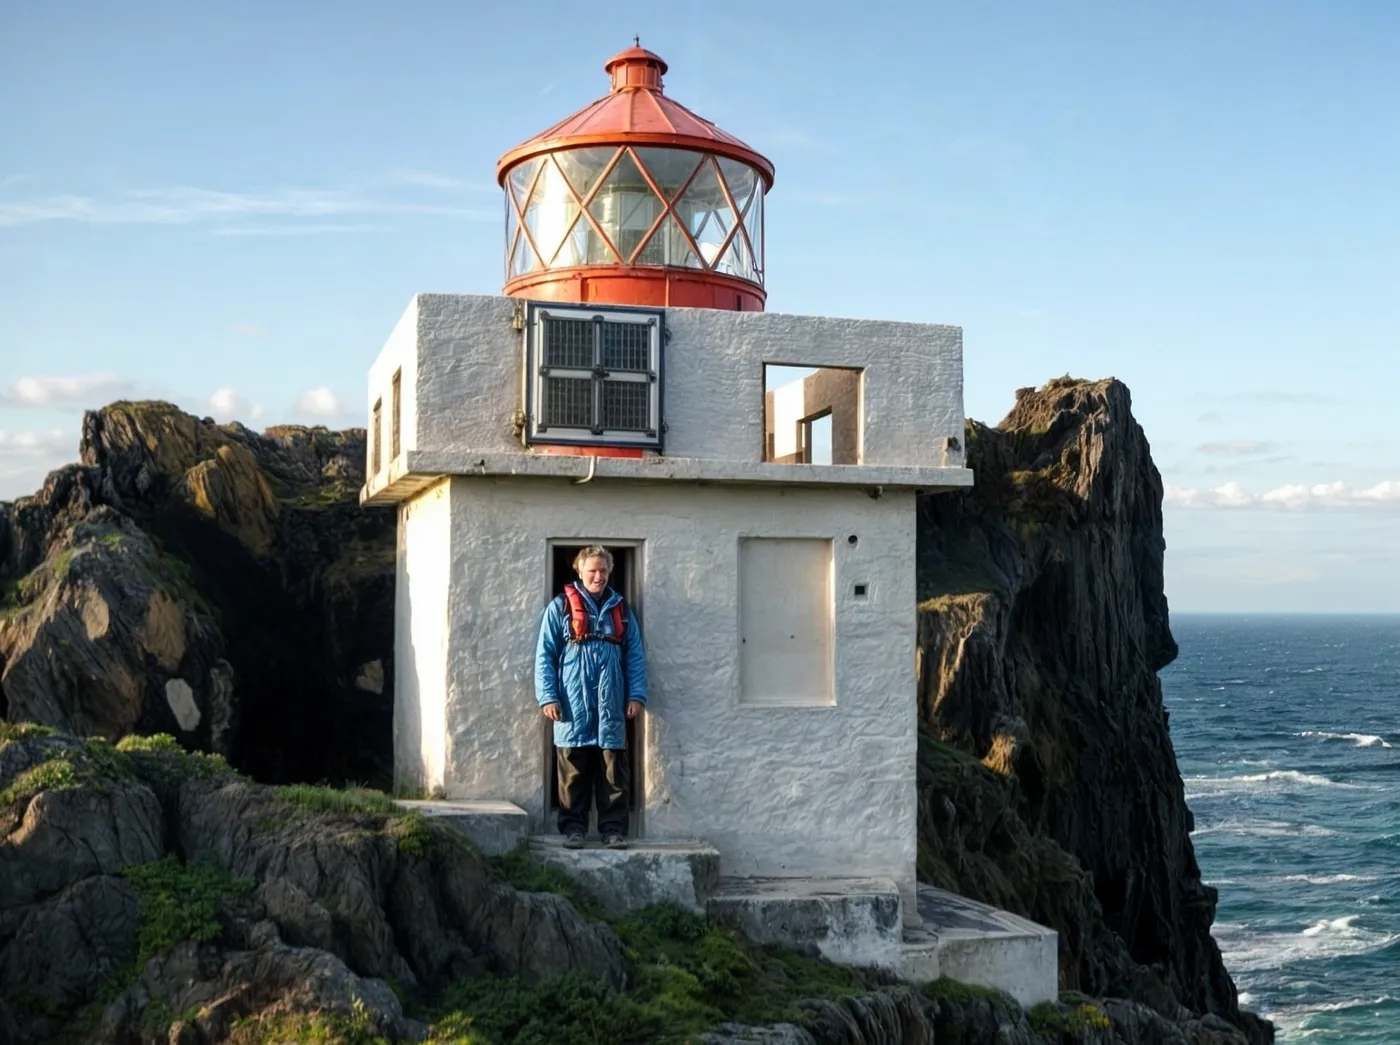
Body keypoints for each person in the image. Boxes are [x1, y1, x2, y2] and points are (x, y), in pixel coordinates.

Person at [535, 546, 647, 849]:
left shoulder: (621, 610)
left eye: (603, 571)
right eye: (592, 571)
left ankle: (613, 831)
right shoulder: (560, 608)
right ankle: (574, 829)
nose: (598, 576)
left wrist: (636, 693)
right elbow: (545, 655)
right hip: (572, 702)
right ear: (580, 572)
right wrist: (548, 696)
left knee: (613, 770)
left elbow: (634, 654)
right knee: (572, 770)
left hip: (611, 701)